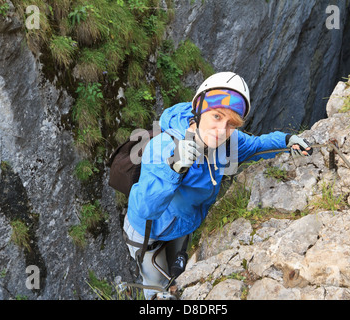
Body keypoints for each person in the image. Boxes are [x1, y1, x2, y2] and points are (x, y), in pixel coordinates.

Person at [122, 72, 312, 299]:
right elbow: (145, 208)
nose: (222, 130)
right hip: (148, 231)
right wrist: (174, 168)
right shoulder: (164, 146)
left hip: (183, 223)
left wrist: (286, 140)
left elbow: (256, 146)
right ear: (199, 110)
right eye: (216, 116)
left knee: (176, 277)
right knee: (157, 287)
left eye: (231, 123)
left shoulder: (228, 142)